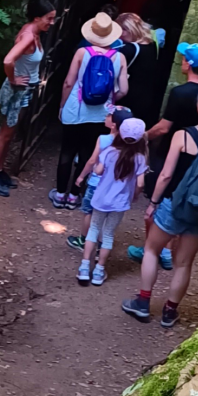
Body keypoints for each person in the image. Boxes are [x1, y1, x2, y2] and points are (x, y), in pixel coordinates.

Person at [121, 85, 198, 326]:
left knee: (151, 250)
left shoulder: (184, 135)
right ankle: (170, 311)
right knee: (184, 262)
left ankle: (143, 303)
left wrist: (154, 203)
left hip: (174, 204)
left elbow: (166, 175)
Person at [126, 42, 198, 269]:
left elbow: (164, 128)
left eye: (184, 57)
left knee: (160, 199)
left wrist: (143, 136)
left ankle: (153, 250)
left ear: (188, 64)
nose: (182, 60)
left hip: (173, 152)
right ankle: (166, 250)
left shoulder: (180, 93)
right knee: (178, 200)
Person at [50, 13, 129, 210]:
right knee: (87, 152)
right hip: (101, 113)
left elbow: (69, 82)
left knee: (67, 150)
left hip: (75, 109)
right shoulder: (120, 57)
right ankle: (75, 196)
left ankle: (60, 194)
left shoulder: (82, 53)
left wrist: (62, 105)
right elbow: (124, 89)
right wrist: (110, 100)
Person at [0, 0, 57, 197]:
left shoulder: (32, 31)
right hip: (18, 90)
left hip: (24, 90)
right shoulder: (28, 37)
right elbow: (8, 60)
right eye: (48, 19)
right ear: (36, 17)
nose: (51, 23)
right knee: (5, 133)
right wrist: (13, 79)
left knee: (10, 133)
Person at [76, 117, 148, 286]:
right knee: (107, 234)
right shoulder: (140, 158)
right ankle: (99, 270)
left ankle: (84, 268)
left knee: (94, 229)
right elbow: (140, 183)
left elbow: (98, 171)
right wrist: (135, 195)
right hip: (120, 202)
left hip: (101, 198)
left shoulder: (109, 152)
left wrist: (96, 168)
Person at [66, 106, 133, 251]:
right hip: (116, 187)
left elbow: (92, 161)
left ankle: (83, 240)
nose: (106, 116)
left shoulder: (103, 139)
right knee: (108, 216)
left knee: (89, 212)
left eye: (109, 115)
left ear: (114, 125)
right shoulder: (131, 145)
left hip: (97, 183)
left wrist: (81, 176)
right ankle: (101, 247)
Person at [115, 13, 165, 128]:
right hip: (146, 98)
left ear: (130, 29)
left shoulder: (129, 49)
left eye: (122, 30)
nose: (119, 35)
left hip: (128, 99)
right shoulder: (152, 45)